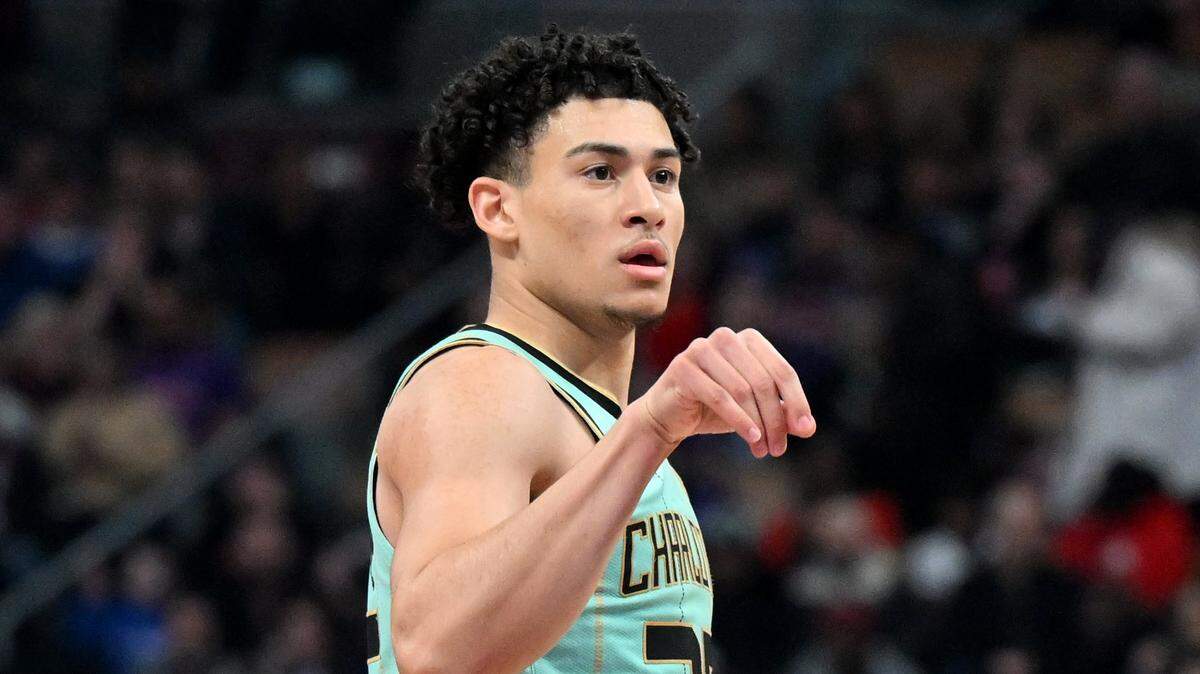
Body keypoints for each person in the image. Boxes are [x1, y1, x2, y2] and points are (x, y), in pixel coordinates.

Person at [365, 26, 816, 673]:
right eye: (601, 172)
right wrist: (649, 431)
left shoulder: (601, 426)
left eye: (663, 175)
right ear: (499, 209)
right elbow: (438, 649)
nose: (648, 207)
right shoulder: (482, 384)